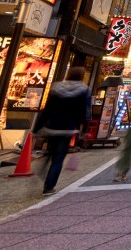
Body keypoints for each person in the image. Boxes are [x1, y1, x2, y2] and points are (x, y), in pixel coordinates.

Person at [32, 66, 91, 195]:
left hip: (52, 126)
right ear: (81, 77)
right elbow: (85, 112)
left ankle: (44, 170)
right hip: (68, 128)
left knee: (52, 152)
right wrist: (83, 129)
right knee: (58, 159)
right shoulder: (84, 90)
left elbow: (47, 109)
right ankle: (49, 186)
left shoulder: (56, 87)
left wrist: (37, 127)